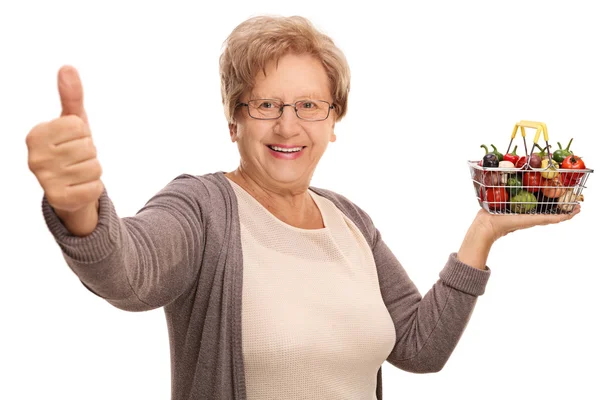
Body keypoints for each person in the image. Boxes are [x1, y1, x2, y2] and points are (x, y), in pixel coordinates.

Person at [26, 15, 579, 400]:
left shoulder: (352, 222)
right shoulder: (202, 209)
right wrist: (80, 209)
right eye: (266, 103)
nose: (289, 125)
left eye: (310, 105)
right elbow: (130, 273)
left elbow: (417, 347)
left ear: (333, 122)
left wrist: (482, 230)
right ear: (233, 119)